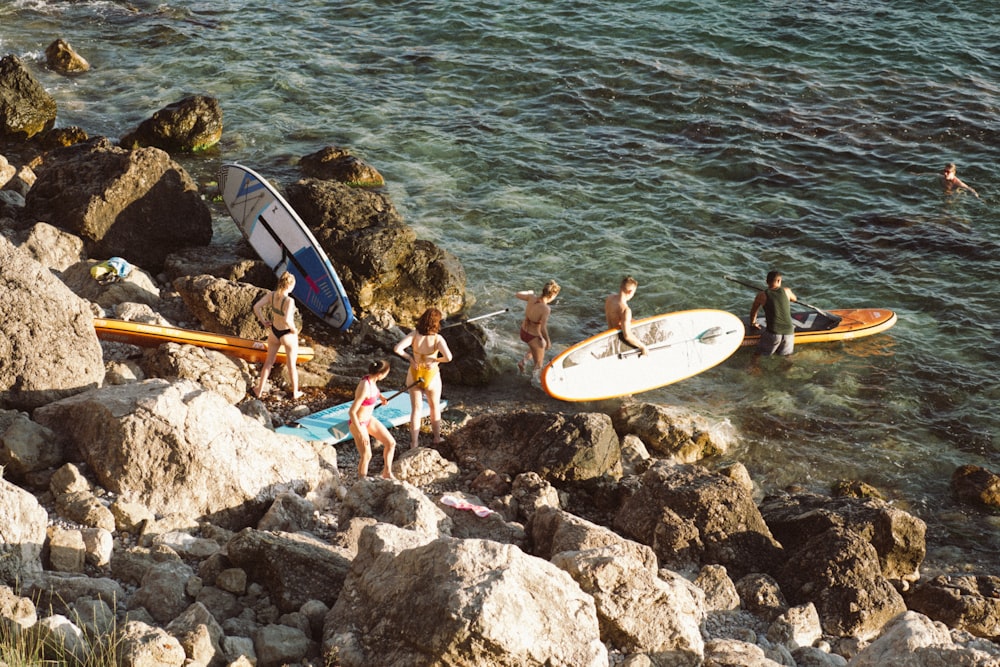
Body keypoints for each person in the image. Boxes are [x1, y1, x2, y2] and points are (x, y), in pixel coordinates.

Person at [393, 307, 453, 449]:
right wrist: (435, 360)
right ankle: (437, 438)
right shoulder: (438, 339)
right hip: (431, 375)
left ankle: (414, 443)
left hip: (414, 373)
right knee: (434, 408)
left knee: (416, 410)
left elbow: (397, 349)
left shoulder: (414, 335)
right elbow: (449, 357)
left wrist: (410, 359)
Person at [251, 271, 302, 399]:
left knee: (268, 362)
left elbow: (256, 307)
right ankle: (295, 392)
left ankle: (259, 389)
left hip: (274, 332)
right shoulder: (289, 301)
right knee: (291, 364)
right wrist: (294, 330)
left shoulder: (272, 295)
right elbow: (287, 320)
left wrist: (263, 321)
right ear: (290, 286)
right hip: (287, 334)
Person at [348, 359, 396, 479]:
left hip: (369, 419)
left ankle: (387, 472)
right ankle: (362, 482)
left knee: (391, 443)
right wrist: (360, 433)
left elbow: (375, 391)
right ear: (380, 374)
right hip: (358, 423)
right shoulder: (364, 386)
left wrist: (381, 397)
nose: (386, 376)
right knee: (367, 455)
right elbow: (352, 412)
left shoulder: (372, 380)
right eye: (386, 373)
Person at [516, 279, 560, 377]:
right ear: (552, 295)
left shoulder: (531, 297)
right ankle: (534, 383)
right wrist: (548, 341)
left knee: (535, 347)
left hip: (523, 332)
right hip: (533, 336)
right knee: (539, 365)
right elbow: (543, 328)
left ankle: (523, 362)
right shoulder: (546, 309)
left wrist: (529, 292)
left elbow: (517, 294)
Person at [749, 270, 798, 356]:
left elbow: (754, 311)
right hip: (789, 332)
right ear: (779, 281)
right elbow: (794, 299)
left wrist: (753, 323)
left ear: (766, 282)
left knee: (758, 354)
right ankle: (786, 369)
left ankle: (755, 367)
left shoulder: (761, 295)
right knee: (787, 357)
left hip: (773, 333)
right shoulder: (786, 291)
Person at [604, 275, 648, 356]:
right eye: (634, 293)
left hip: (609, 334)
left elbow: (616, 318)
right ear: (630, 291)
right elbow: (627, 336)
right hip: (618, 341)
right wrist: (643, 347)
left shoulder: (609, 298)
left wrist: (630, 320)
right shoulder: (625, 310)